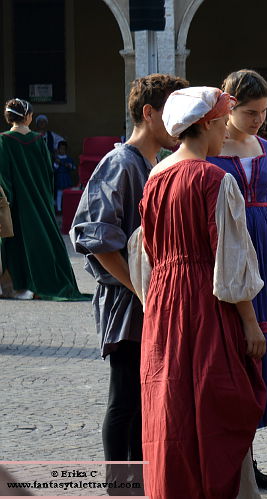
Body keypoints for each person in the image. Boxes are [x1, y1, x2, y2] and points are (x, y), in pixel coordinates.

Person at [127, 86, 266, 499]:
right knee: (214, 402)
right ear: (205, 125)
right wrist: (250, 322)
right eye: (223, 123)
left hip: (164, 304)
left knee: (171, 405)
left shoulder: (156, 176)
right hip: (206, 302)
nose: (226, 132)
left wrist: (156, 301)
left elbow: (145, 253)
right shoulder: (216, 179)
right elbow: (231, 258)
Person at [70, 74, 188, 480]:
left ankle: (142, 479)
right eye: (170, 112)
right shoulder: (120, 163)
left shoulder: (155, 164)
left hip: (148, 299)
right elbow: (97, 238)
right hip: (127, 303)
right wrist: (140, 287)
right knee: (125, 397)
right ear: (149, 112)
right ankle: (120, 485)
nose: (178, 123)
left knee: (145, 397)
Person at [207, 69, 267, 489]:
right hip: (227, 251)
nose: (259, 119)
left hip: (265, 252)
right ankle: (236, 459)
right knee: (236, 351)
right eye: (250, 111)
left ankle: (249, 456)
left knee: (263, 353)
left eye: (263, 111)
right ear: (228, 105)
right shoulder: (208, 149)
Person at [0, 98, 86, 300]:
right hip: (37, 202)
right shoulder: (38, 141)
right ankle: (34, 284)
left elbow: (2, 175)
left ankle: (16, 286)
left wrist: (7, 202)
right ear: (28, 116)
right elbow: (48, 174)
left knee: (14, 245)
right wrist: (44, 200)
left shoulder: (3, 140)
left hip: (13, 205)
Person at [52, 140, 76, 213]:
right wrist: (56, 163)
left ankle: (67, 208)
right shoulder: (56, 159)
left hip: (66, 177)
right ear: (58, 149)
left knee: (67, 194)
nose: (62, 150)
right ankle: (59, 209)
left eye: (63, 149)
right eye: (60, 148)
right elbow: (53, 169)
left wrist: (69, 165)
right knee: (59, 194)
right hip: (59, 178)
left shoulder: (68, 159)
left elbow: (74, 167)